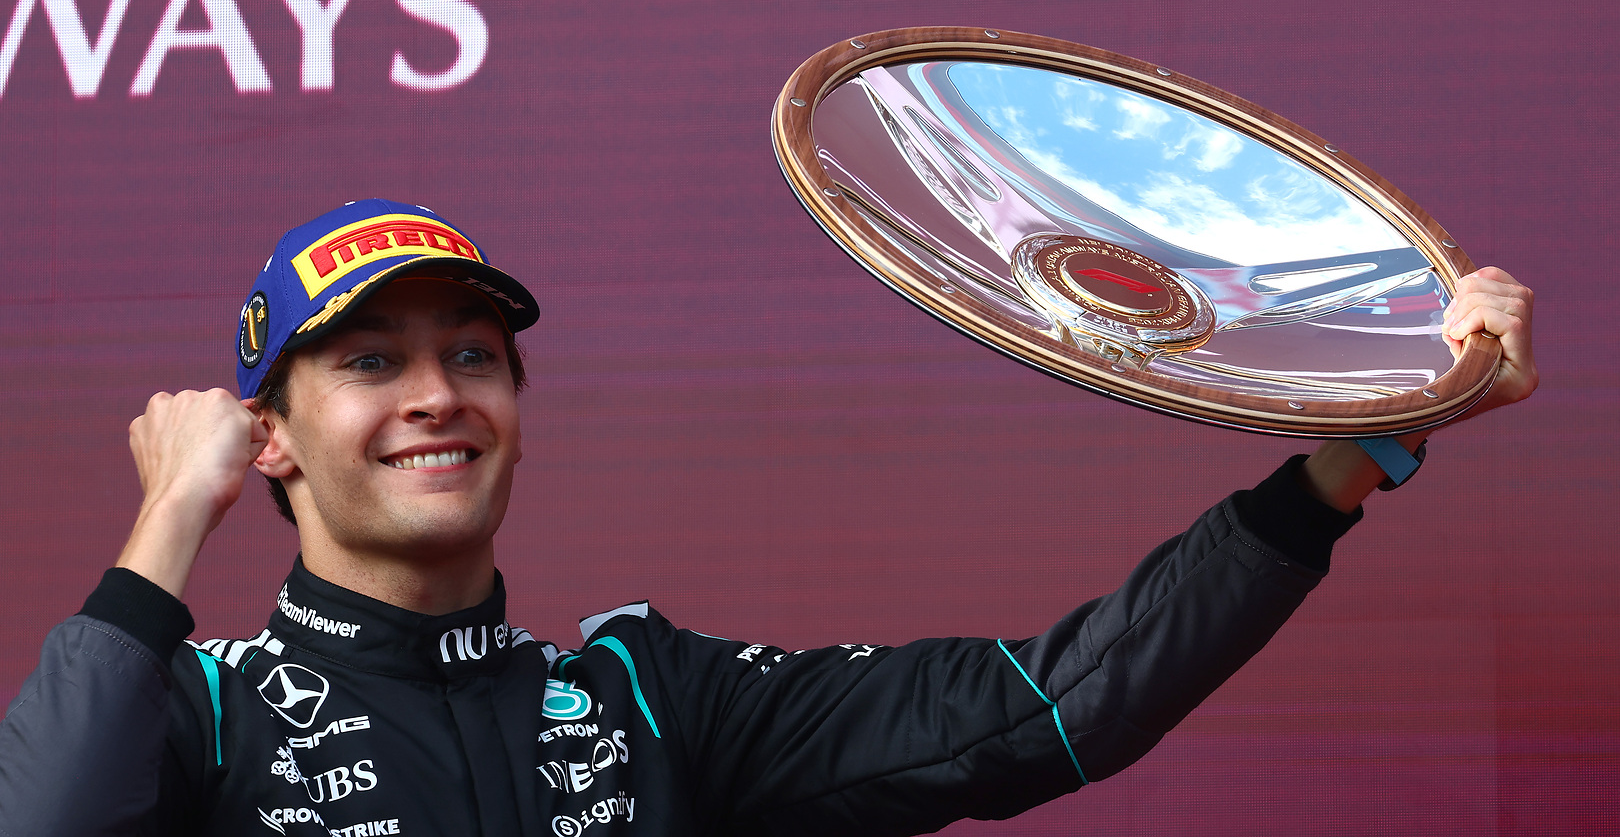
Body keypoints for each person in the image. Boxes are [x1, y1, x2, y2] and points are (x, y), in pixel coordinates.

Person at [0, 200, 1537, 837]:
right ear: (267, 436)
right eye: (368, 362)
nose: (437, 394)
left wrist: (1353, 451)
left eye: (474, 355)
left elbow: (1058, 710)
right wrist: (163, 534)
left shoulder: (645, 700)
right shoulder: (194, 715)